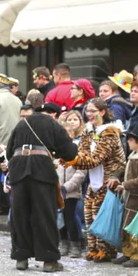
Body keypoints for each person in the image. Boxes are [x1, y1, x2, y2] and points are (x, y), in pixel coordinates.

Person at [6, 104, 77, 272]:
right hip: (41, 170)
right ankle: (49, 260)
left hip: (18, 168)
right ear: (53, 114)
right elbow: (70, 153)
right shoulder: (53, 124)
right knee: (44, 213)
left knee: (19, 213)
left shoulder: (22, 123)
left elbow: (9, 151)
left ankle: (21, 257)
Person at [66, 98, 125, 262]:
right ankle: (94, 248)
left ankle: (107, 250)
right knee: (89, 214)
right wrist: (77, 159)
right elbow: (83, 154)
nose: (89, 114)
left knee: (101, 214)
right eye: (87, 110)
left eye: (93, 111)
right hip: (94, 179)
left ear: (102, 112)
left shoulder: (110, 132)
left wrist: (73, 161)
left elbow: (95, 159)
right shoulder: (88, 131)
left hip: (108, 179)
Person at [111, 123, 138, 268]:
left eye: (130, 139)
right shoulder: (134, 156)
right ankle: (127, 252)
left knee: (135, 227)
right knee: (126, 226)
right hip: (130, 198)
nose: (127, 142)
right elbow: (124, 168)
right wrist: (116, 176)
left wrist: (125, 185)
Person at [0, 73, 22, 215]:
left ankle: (4, 205)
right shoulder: (17, 100)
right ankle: (8, 203)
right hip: (13, 143)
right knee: (9, 174)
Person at [57, 111, 86, 258]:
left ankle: (75, 242)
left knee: (70, 217)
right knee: (59, 218)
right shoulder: (56, 152)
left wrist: (66, 187)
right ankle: (64, 242)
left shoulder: (77, 150)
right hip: (57, 191)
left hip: (71, 191)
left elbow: (81, 173)